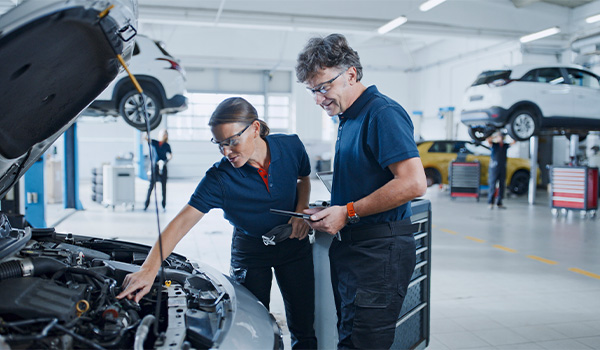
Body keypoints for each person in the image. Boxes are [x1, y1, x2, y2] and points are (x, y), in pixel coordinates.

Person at [117, 97, 318, 349]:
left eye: (232, 141)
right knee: (254, 329)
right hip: (250, 252)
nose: (226, 152)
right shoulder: (219, 178)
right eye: (219, 144)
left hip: (293, 246)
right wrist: (149, 269)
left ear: (255, 128)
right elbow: (181, 222)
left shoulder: (291, 146)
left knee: (303, 325)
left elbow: (303, 178)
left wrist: (300, 212)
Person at [295, 34, 427, 349]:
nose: (318, 98)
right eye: (312, 91)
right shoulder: (347, 119)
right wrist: (331, 208)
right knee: (351, 340)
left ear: (351, 74)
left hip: (379, 255)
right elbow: (367, 180)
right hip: (355, 252)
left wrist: (348, 211)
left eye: (323, 87)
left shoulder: (381, 113)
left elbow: (413, 182)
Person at [144, 129, 172, 211]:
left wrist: (165, 161)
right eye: (163, 133)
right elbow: (145, 138)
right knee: (151, 186)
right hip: (154, 167)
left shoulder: (167, 145)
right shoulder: (154, 142)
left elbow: (170, 155)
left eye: (165, 134)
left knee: (163, 187)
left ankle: (163, 205)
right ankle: (146, 204)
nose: (164, 135)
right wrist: (146, 130)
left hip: (163, 167)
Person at [486, 131, 511, 209]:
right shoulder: (494, 145)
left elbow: (514, 142)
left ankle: (499, 203)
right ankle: (491, 202)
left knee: (502, 185)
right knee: (492, 185)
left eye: (502, 137)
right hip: (494, 168)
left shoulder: (505, 146)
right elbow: (488, 140)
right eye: (500, 137)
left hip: (502, 167)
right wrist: (495, 136)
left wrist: (512, 133)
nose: (501, 138)